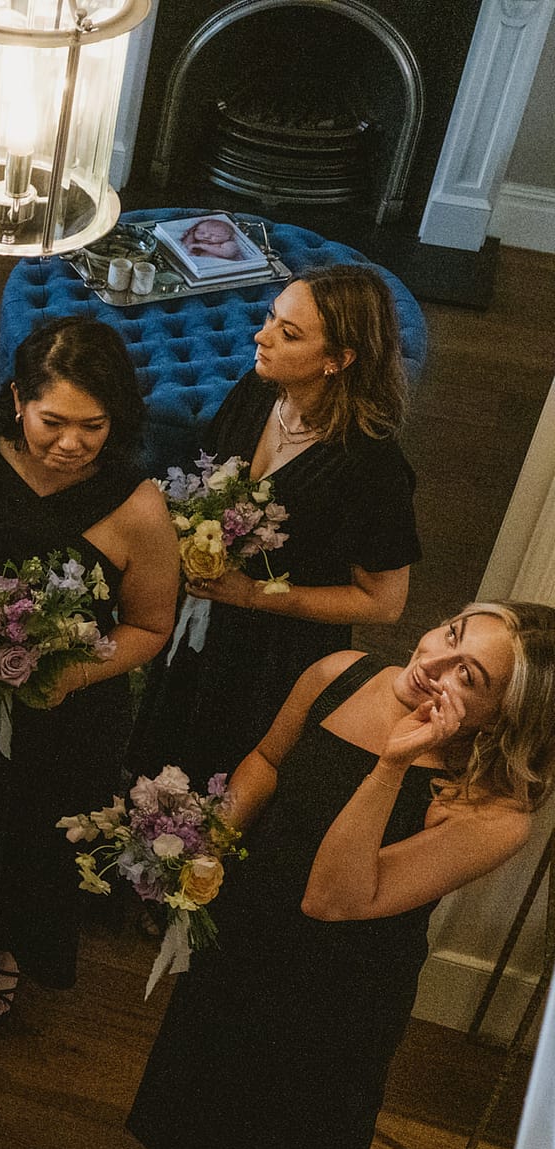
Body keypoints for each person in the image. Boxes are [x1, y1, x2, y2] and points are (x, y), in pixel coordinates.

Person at [129, 603, 555, 1149]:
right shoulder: (338, 673)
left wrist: (393, 765)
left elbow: (334, 898)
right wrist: (206, 846)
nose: (434, 663)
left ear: (502, 717)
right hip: (253, 914)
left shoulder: (494, 813)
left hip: (344, 971)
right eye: (449, 636)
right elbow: (268, 760)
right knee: (217, 1048)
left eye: (469, 676)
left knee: (305, 1094)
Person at [0, 318, 179, 1027]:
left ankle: (8, 954)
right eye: (52, 421)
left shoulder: (139, 508)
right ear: (18, 399)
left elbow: (150, 627)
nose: (71, 443)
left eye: (93, 425)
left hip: (70, 718)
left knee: (38, 842)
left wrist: (71, 677)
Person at [130, 264, 420, 785]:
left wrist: (254, 595)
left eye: (289, 334)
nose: (261, 336)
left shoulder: (372, 467)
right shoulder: (260, 389)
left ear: (337, 360)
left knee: (227, 773)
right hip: (204, 617)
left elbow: (384, 602)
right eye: (270, 317)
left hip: (274, 658)